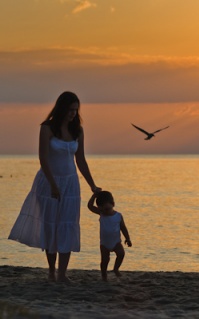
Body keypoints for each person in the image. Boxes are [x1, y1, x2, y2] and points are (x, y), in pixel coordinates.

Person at [8, 91, 101, 282]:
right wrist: (52, 185)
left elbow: (81, 160)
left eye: (76, 110)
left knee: (67, 225)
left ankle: (62, 273)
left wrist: (92, 185)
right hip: (48, 181)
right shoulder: (47, 128)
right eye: (70, 109)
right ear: (61, 108)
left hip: (71, 183)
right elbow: (43, 158)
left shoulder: (78, 130)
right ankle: (51, 271)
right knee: (51, 226)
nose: (73, 114)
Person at [88, 190, 132, 281]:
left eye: (107, 209)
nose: (105, 211)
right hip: (104, 243)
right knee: (105, 260)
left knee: (121, 254)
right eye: (102, 209)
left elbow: (123, 228)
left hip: (116, 242)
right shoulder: (102, 214)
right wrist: (94, 196)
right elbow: (90, 206)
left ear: (113, 204)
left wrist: (127, 238)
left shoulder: (118, 216)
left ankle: (116, 269)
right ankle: (104, 275)